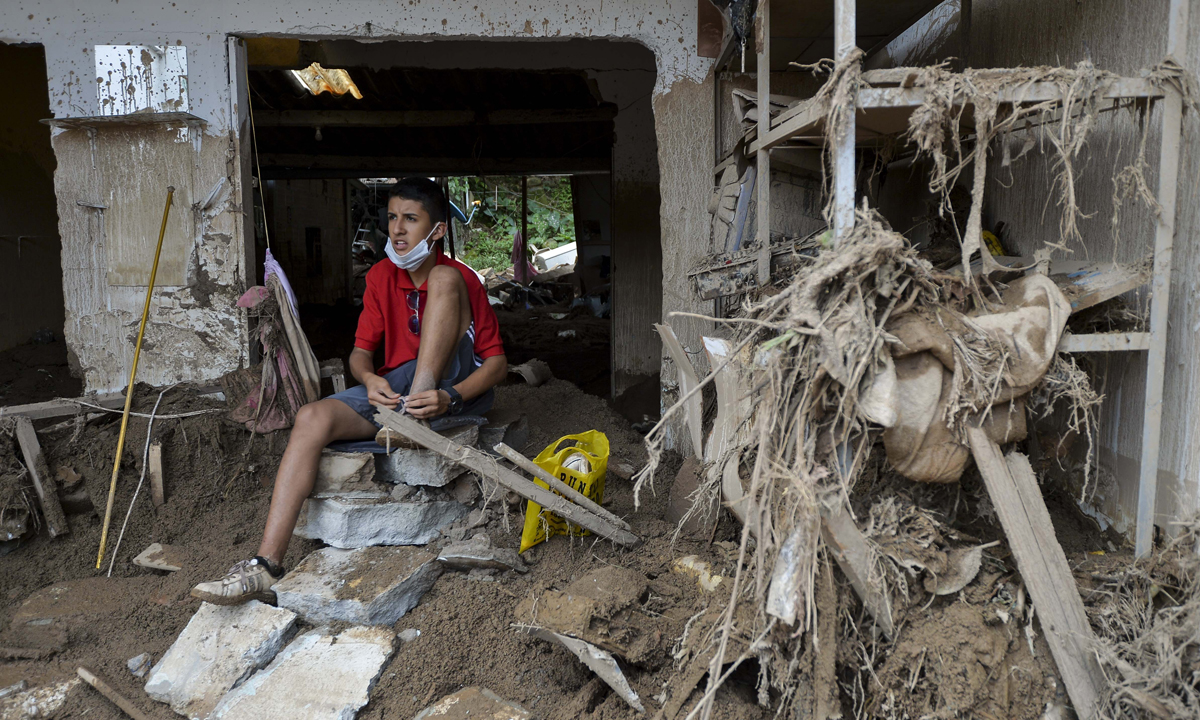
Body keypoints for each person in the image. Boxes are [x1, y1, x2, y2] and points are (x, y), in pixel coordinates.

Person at [191, 177, 507, 605]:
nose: (397, 229)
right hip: (398, 391)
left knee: (445, 279)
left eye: (411, 220)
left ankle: (417, 415)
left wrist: (451, 397)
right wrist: (372, 381)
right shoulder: (379, 277)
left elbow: (497, 364)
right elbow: (360, 356)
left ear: (436, 231)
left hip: (452, 386)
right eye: (393, 217)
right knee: (311, 418)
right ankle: (265, 566)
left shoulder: (461, 278)